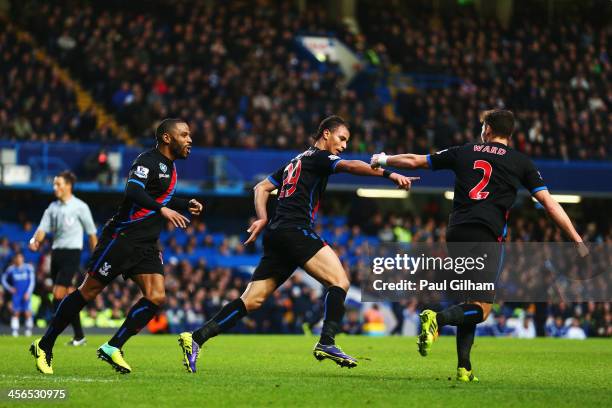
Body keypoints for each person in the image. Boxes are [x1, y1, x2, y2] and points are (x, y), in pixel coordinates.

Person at [178, 115, 418, 373]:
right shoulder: (319, 157)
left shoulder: (296, 160)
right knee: (340, 281)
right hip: (295, 229)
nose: (344, 145)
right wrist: (388, 173)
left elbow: (261, 188)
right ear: (326, 134)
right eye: (342, 138)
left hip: (276, 233)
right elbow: (349, 166)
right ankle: (327, 342)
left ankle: (197, 338)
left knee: (252, 300)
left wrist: (262, 217)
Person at [371, 109, 587, 382]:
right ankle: (437, 320)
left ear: (487, 129)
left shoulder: (464, 151)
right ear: (509, 133)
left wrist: (384, 158)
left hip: (456, 233)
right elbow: (548, 203)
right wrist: (576, 238)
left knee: (468, 302)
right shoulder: (521, 162)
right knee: (482, 309)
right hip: (487, 235)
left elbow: (415, 161)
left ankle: (465, 368)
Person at [30, 118, 203, 375]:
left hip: (146, 243)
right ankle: (44, 345)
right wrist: (163, 209)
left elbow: (160, 197)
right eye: (185, 135)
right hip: (121, 238)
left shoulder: (171, 168)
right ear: (167, 138)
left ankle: (114, 346)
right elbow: (133, 190)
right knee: (88, 292)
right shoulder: (147, 161)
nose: (190, 140)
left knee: (156, 296)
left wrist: (183, 202)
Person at [29, 170, 98, 346]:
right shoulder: (52, 208)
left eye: (58, 184)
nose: (55, 187)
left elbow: (91, 234)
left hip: (72, 254)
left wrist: (97, 257)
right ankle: (79, 336)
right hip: (56, 254)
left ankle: (49, 337)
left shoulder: (80, 206)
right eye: (54, 184)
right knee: (68, 297)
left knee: (57, 295)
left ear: (68, 186)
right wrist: (36, 241)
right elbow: (42, 229)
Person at [1, 253, 35, 337]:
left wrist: (28, 292)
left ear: (23, 259)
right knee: (15, 312)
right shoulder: (11, 269)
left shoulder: (28, 268)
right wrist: (10, 288)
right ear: (15, 259)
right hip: (16, 294)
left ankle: (28, 331)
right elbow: (3, 279)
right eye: (17, 258)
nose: (19, 260)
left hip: (26, 293)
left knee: (27, 312)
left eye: (20, 258)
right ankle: (15, 332)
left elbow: (32, 281)